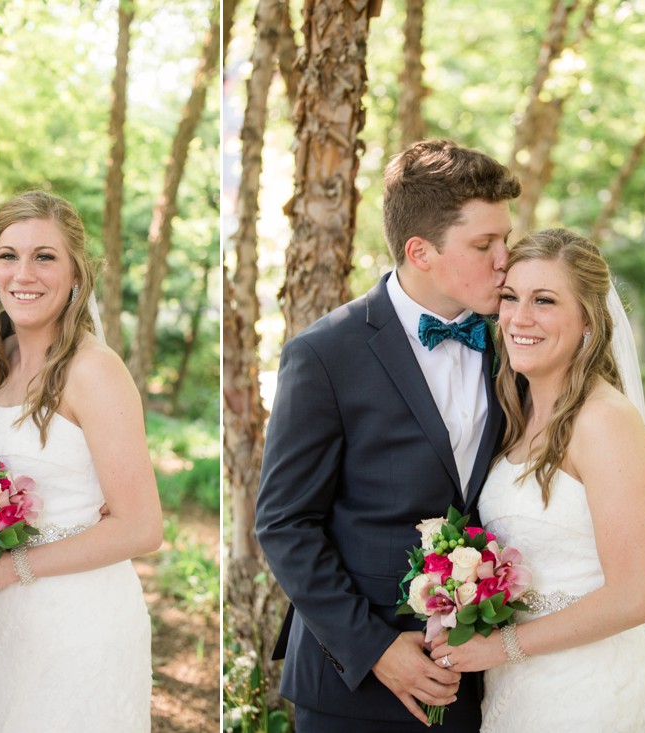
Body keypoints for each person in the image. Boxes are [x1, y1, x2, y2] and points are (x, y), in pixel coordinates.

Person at [255, 139, 521, 732]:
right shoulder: (324, 354)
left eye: (507, 240)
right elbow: (284, 522)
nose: (506, 260)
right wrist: (375, 648)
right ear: (419, 251)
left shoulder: (515, 344)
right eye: (485, 245)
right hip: (353, 683)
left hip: (482, 680)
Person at [0, 190, 163, 732]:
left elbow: (141, 527)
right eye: (9, 256)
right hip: (6, 624)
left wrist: (9, 568)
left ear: (76, 274)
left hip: (80, 620)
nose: (24, 273)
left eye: (45, 256)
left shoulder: (94, 371)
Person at [428, 228, 645, 731]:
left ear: (588, 323)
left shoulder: (604, 421)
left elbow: (636, 594)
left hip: (587, 692)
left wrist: (500, 647)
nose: (519, 318)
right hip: (515, 690)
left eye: (545, 301)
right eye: (510, 297)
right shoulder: (515, 415)